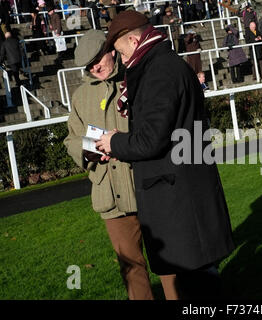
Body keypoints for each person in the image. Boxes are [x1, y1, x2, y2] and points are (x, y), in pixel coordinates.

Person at [94, 10, 235, 299]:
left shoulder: (159, 71)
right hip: (182, 192)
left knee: (200, 285)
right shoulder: (160, 65)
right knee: (198, 280)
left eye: (120, 53)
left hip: (180, 198)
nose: (121, 61)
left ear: (134, 41)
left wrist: (115, 143)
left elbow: (150, 140)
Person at [63, 30, 178, 300]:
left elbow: (156, 130)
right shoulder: (80, 97)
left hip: (147, 184)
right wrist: (89, 151)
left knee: (168, 262)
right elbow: (71, 139)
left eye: (98, 58)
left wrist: (120, 143)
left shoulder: (138, 78)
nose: (95, 66)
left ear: (112, 50)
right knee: (131, 267)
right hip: (109, 194)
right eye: (89, 64)